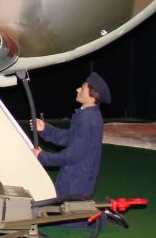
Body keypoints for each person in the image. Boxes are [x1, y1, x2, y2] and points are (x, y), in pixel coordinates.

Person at [31, 72, 110, 200]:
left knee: (69, 212)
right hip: (76, 181)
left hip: (75, 183)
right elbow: (70, 137)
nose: (78, 89)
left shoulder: (88, 119)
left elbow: (72, 154)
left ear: (92, 96)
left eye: (82, 88)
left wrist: (43, 157)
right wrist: (45, 129)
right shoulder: (89, 115)